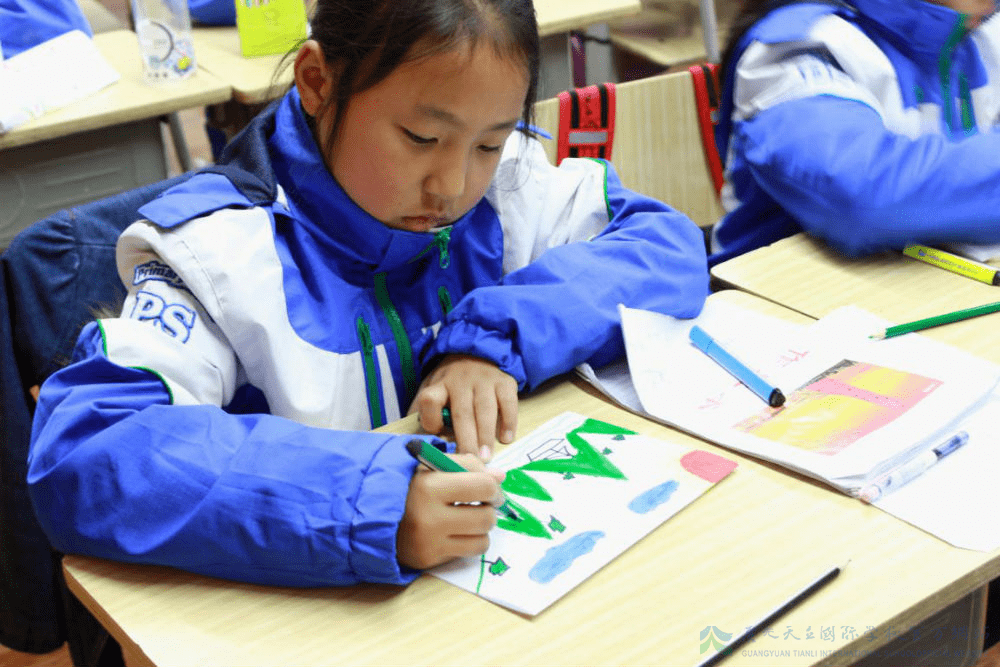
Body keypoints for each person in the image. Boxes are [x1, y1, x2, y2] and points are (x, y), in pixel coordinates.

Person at [26, 0, 708, 588]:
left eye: (488, 144)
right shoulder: (220, 254)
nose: (452, 186)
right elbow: (86, 449)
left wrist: (494, 338)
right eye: (421, 138)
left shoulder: (510, 187)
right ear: (317, 81)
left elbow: (661, 245)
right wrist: (368, 501)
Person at [708, 0, 1000, 266]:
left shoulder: (976, 30)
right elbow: (865, 196)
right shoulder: (800, 43)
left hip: (927, 282)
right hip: (780, 297)